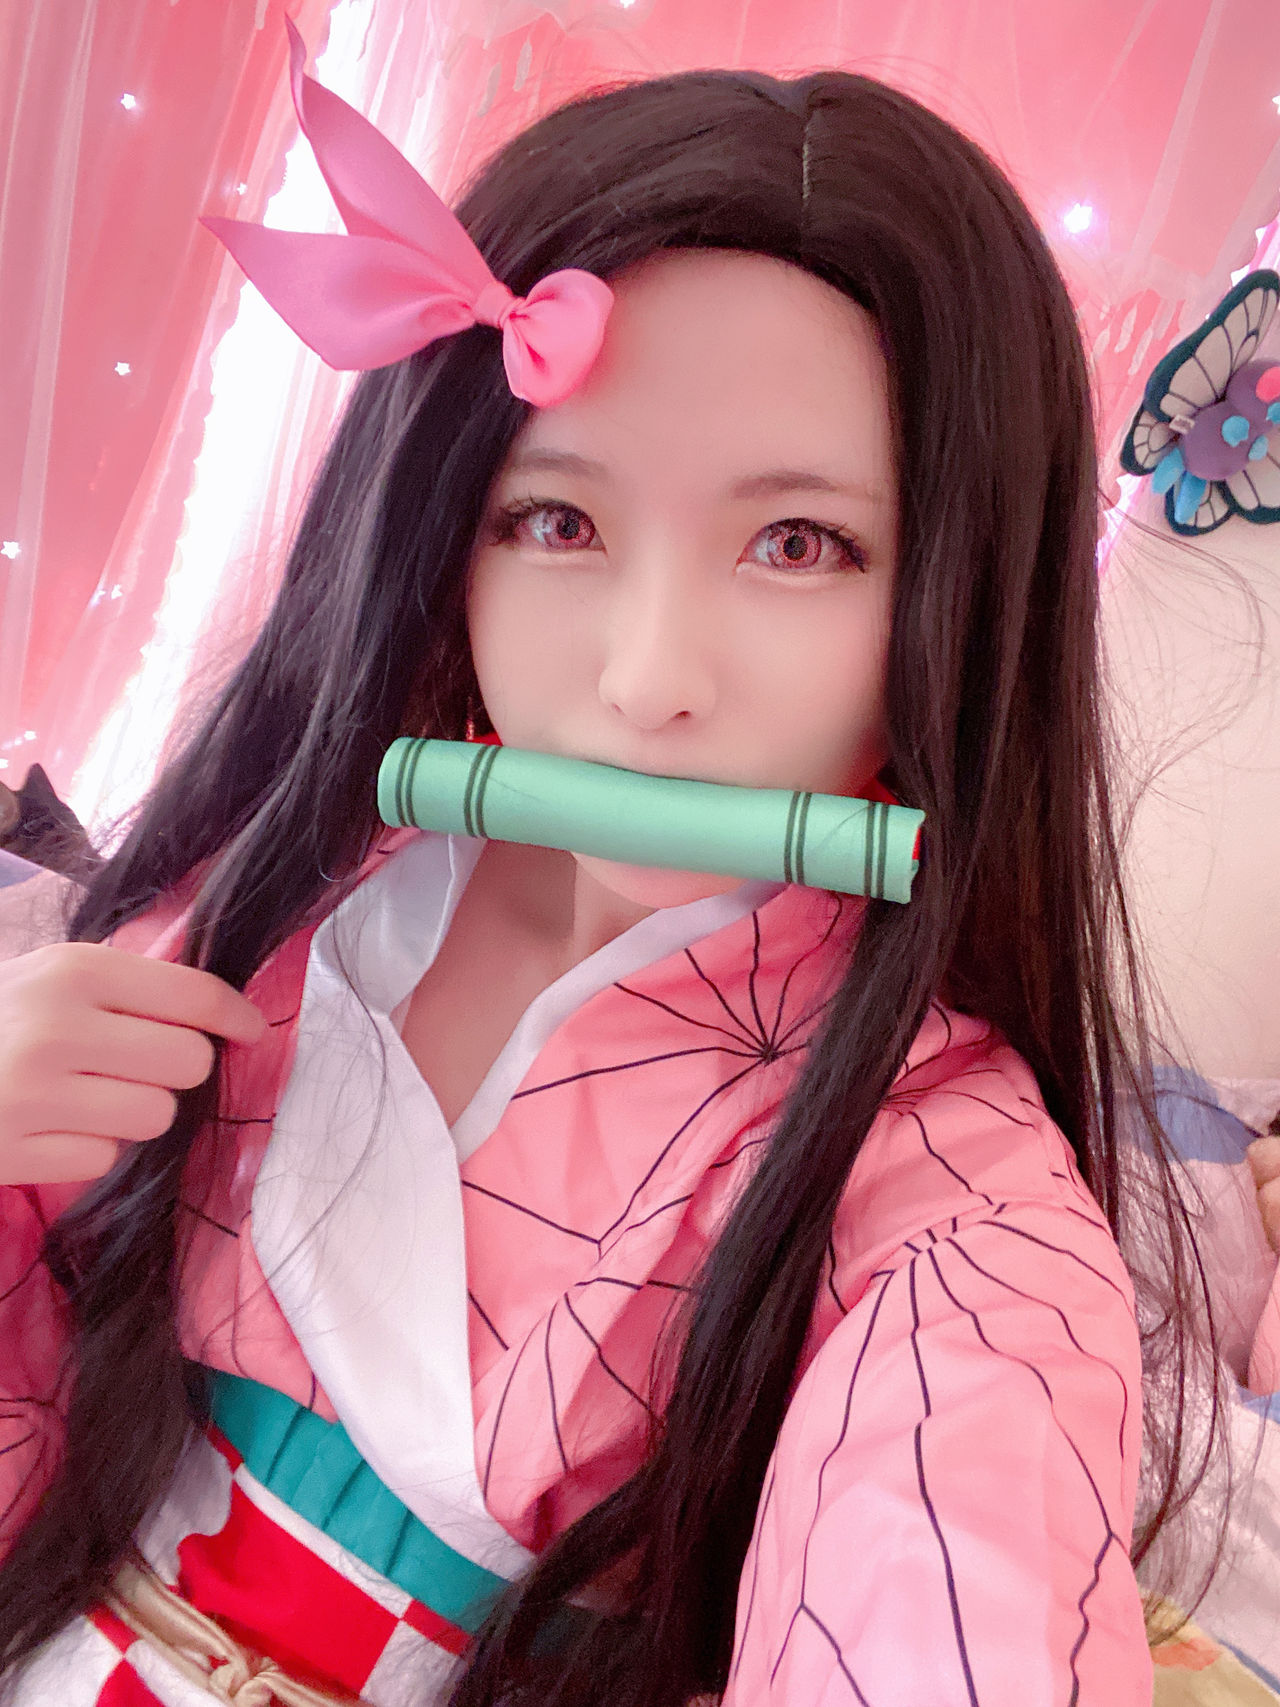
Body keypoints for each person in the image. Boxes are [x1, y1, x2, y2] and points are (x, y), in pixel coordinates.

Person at [0, 32, 1218, 1707]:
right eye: (557, 521)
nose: (649, 681)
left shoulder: (952, 1205)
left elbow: (955, 1584)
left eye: (799, 544)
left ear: (949, 597)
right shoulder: (266, 899)